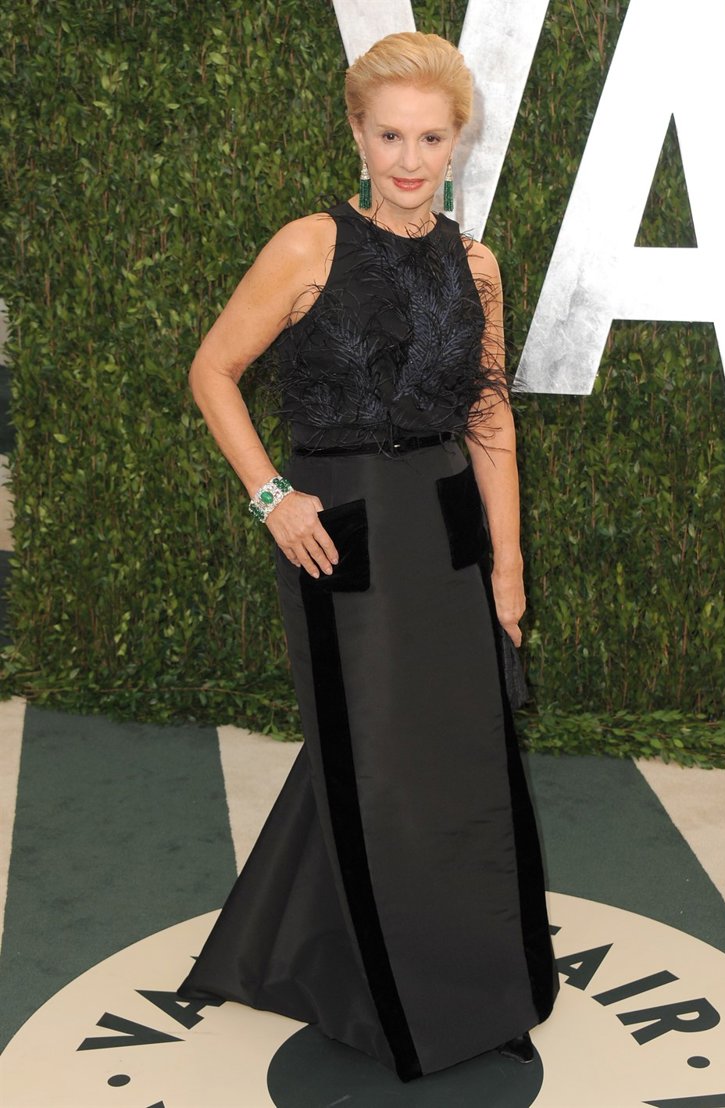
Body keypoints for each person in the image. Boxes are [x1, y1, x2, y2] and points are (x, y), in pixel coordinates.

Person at [177, 31, 559, 1083]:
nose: (409, 159)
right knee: (380, 760)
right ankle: (407, 1001)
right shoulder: (308, 246)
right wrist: (270, 496)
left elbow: (490, 419)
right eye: (390, 136)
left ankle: (478, 981)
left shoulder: (475, 265)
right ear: (356, 133)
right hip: (337, 527)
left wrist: (509, 563)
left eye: (429, 138)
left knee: (461, 757)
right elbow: (213, 370)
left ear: (456, 141)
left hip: (446, 525)